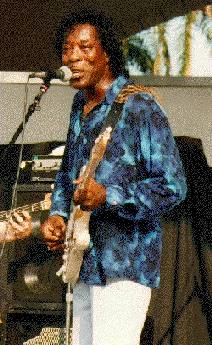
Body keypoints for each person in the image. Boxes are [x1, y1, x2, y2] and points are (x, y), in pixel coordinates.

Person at [40, 10, 187, 345]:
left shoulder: (140, 106)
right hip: (85, 259)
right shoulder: (80, 106)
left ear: (107, 54)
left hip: (125, 263)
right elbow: (67, 175)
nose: (73, 57)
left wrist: (109, 196)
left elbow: (173, 186)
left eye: (85, 48)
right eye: (67, 49)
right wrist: (58, 216)